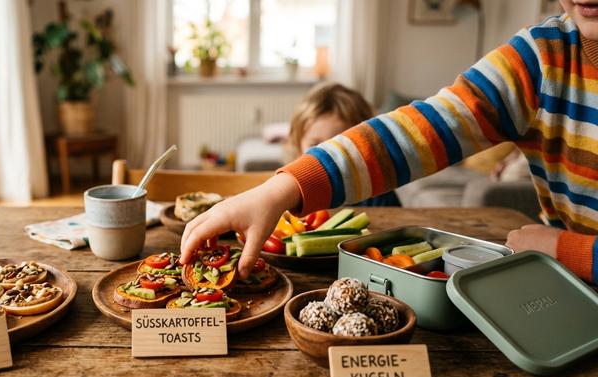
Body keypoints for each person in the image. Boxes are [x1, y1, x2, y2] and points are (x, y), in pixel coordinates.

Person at [181, 1, 598, 284]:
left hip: (560, 260)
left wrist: (569, 250)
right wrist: (278, 190)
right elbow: (415, 132)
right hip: (559, 281)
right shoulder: (541, 56)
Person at [287, 82, 401, 206]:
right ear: (298, 145)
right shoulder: (293, 195)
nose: (325, 158)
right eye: (315, 145)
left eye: (339, 145)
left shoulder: (380, 195)